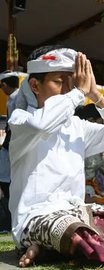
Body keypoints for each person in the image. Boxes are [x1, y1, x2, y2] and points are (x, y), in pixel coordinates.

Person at [6, 46, 104, 267]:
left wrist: (95, 95)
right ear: (34, 86)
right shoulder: (21, 120)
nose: (68, 89)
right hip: (36, 219)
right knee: (73, 231)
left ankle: (48, 249)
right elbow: (43, 125)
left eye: (72, 82)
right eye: (60, 82)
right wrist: (78, 93)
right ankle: (65, 242)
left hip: (78, 214)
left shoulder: (76, 126)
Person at [0, 70, 19, 233]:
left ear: (5, 85)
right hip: (15, 147)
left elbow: (13, 126)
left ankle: (8, 223)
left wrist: (5, 145)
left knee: (6, 183)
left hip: (12, 148)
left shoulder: (13, 99)